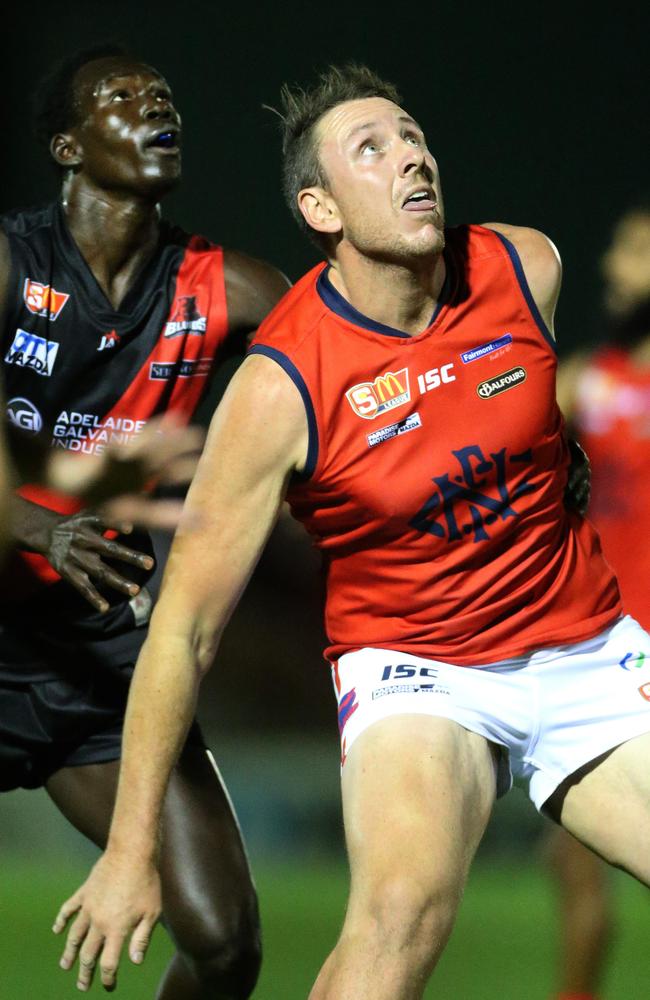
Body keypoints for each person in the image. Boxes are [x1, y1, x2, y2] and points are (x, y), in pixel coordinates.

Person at [53, 64, 650, 998]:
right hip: (420, 670)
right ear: (320, 208)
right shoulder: (280, 385)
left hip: (586, 648)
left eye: (413, 136)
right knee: (399, 920)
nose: (411, 156)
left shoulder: (525, 266)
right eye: (372, 149)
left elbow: (525, 422)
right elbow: (185, 627)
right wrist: (131, 852)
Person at [0, 45, 289, 999]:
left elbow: (352, 374)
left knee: (225, 943)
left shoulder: (229, 288)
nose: (153, 105)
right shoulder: (11, 261)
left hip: (101, 670)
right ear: (68, 145)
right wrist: (36, 527)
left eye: (162, 94)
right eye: (120, 97)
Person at [546, 204, 650, 1000]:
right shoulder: (586, 378)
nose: (616, 264)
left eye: (636, 249)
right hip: (593, 647)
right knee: (578, 880)